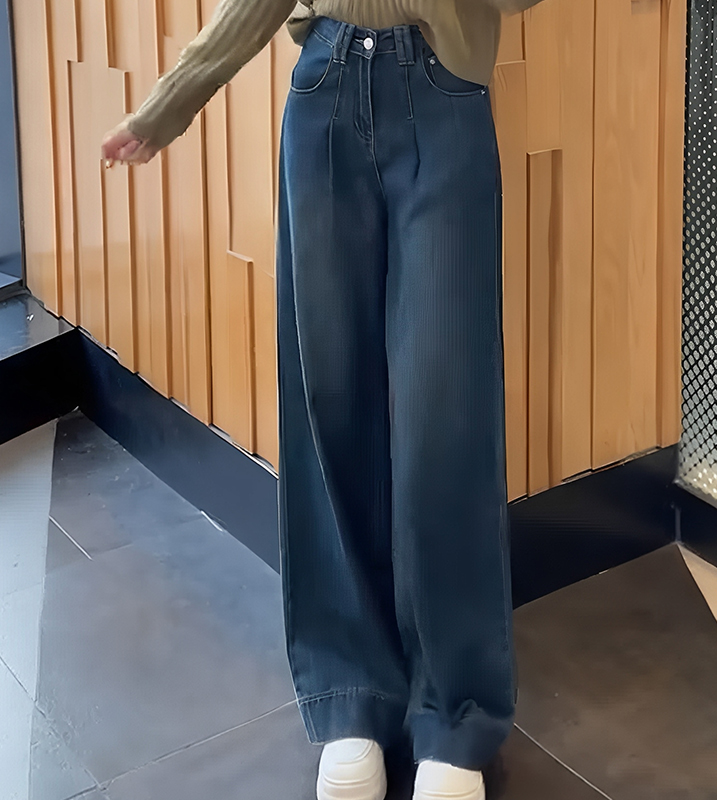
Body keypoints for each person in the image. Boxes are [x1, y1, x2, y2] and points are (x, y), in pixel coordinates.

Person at [102, 2, 542, 799]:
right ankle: (350, 696)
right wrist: (172, 100)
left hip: (444, 90)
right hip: (325, 88)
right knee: (329, 398)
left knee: (446, 414)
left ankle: (455, 713)